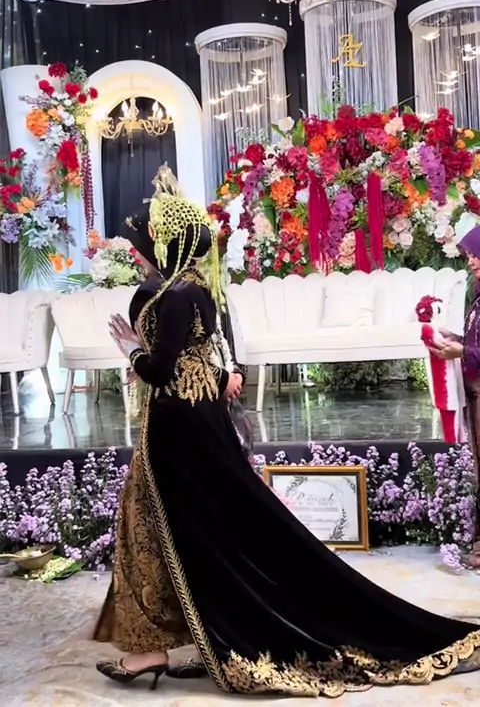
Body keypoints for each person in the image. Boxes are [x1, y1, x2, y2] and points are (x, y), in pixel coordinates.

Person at [95, 167, 480, 698]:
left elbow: (160, 370)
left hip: (179, 429)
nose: (142, 250)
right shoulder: (193, 290)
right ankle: (204, 637)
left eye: (149, 240)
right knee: (201, 531)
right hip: (192, 422)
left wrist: (131, 351)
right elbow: (196, 357)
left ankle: (187, 643)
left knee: (189, 530)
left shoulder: (175, 294)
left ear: (169, 242)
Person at [430, 224, 480, 568]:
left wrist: (461, 351)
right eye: (469, 256)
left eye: (476, 255)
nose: (471, 262)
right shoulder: (477, 295)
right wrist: (455, 338)